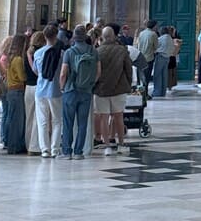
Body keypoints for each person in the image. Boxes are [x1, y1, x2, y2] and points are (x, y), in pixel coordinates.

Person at [59, 23, 100, 159]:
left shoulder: (69, 52)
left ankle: (66, 151)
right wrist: (91, 84)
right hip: (86, 91)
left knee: (68, 122)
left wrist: (62, 87)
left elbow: (63, 73)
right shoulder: (93, 51)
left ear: (74, 37)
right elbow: (98, 71)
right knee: (83, 123)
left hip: (70, 89)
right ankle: (78, 152)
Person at [93, 26, 132, 155]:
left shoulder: (97, 51)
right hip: (119, 89)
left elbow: (95, 71)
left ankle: (107, 146)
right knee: (118, 116)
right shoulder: (122, 50)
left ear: (102, 37)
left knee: (103, 117)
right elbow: (128, 69)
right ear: (114, 36)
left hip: (101, 89)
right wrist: (128, 84)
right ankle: (121, 144)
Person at [32, 23, 63, 158]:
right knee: (57, 121)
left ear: (44, 36)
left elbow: (36, 70)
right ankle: (55, 148)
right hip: (55, 89)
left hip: (40, 90)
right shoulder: (61, 53)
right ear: (56, 36)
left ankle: (44, 149)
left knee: (42, 121)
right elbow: (63, 71)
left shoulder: (38, 53)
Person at [4, 33, 28, 153]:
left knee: (12, 117)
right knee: (17, 120)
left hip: (11, 90)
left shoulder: (10, 57)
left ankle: (11, 143)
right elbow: (22, 77)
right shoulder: (18, 59)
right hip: (18, 90)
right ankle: (15, 146)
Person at [152, 23, 173, 98]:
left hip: (161, 56)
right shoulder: (170, 38)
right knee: (164, 75)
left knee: (157, 75)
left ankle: (157, 92)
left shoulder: (161, 38)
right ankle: (163, 91)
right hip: (167, 58)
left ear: (161, 32)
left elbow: (155, 46)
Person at [137, 19, 157, 95]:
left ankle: (141, 93)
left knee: (141, 77)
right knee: (147, 77)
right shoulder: (153, 34)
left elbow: (138, 44)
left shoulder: (141, 33)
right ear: (154, 26)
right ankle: (145, 94)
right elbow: (156, 47)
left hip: (140, 57)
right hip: (149, 58)